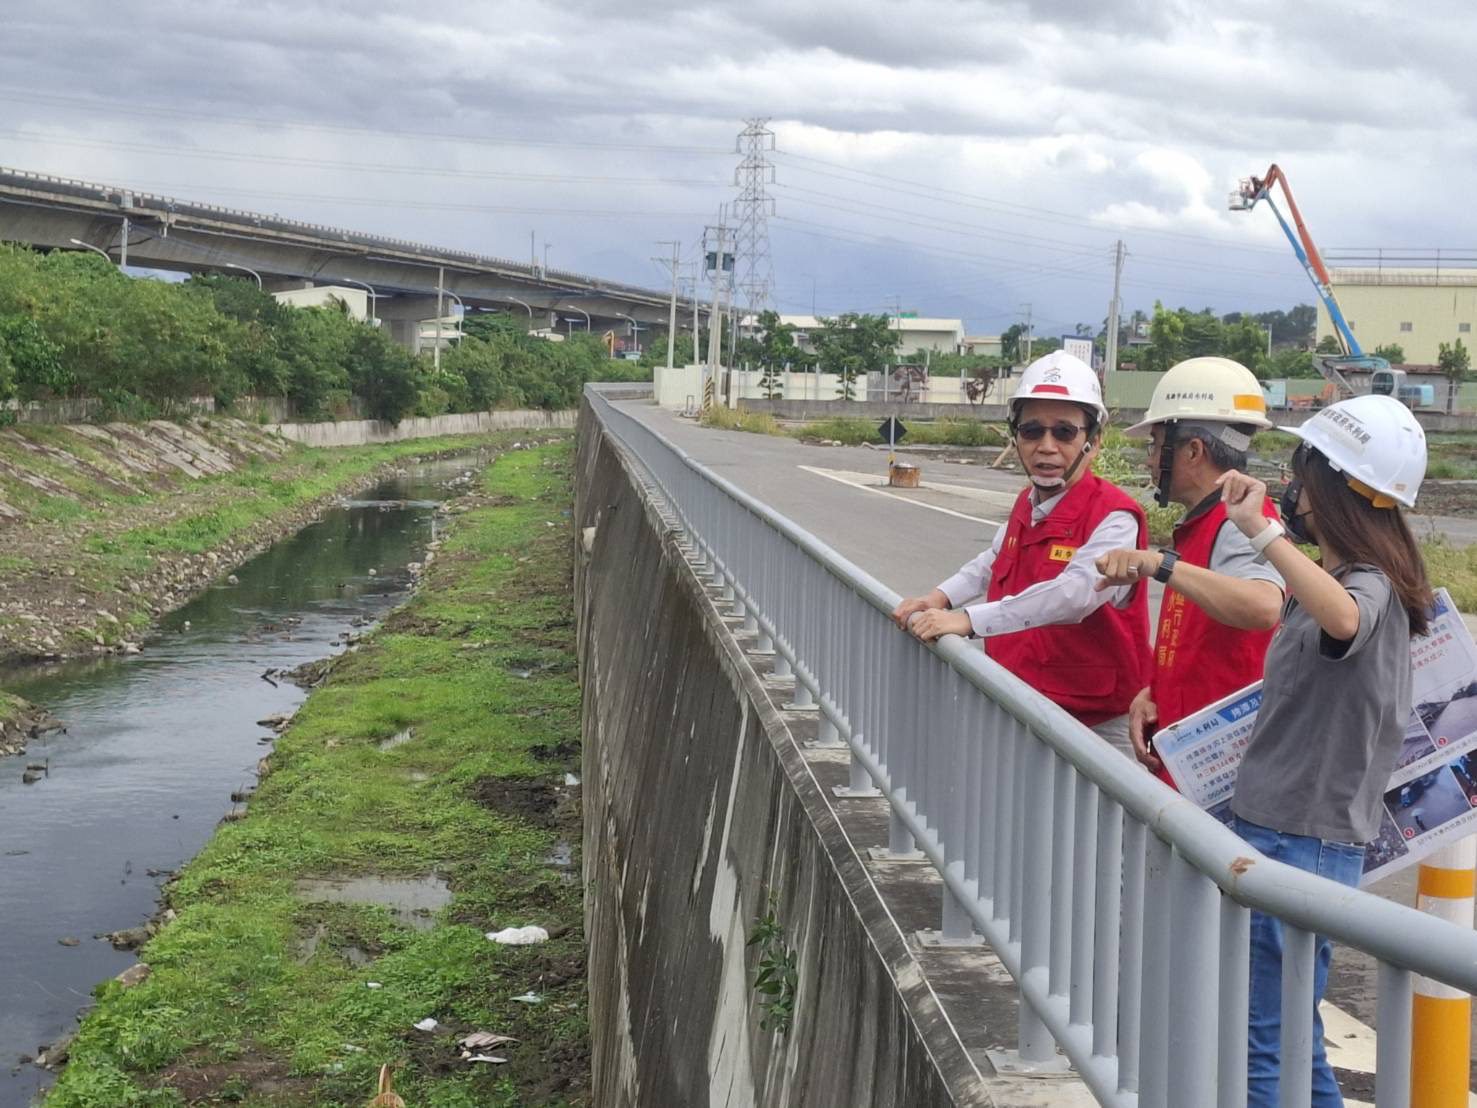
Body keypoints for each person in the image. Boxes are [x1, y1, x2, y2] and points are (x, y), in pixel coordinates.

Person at [1207, 394, 1432, 1106]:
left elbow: (1341, 620)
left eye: (1297, 472)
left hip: (1296, 843)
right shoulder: (1336, 579)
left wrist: (1262, 531)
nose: (1286, 488)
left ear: (1330, 486)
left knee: (1263, 1049)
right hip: (1283, 834)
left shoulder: (1364, 586)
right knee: (1290, 1044)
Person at [890, 351, 1151, 754]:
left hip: (1094, 723)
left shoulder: (1115, 518)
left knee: (1087, 819)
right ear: (1015, 438)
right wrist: (938, 598)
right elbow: (993, 561)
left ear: (1093, 442)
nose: (1046, 447)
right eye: (1032, 431)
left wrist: (967, 620)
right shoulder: (1027, 504)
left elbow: (1074, 595)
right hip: (1021, 703)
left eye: (1064, 433)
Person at [1092, 357, 1286, 783]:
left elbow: (1263, 607)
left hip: (1221, 772)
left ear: (1193, 450)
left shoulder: (1242, 522)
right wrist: (1155, 690)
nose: (1148, 462)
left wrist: (1158, 563)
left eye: (1155, 444)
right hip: (1189, 757)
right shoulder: (1204, 523)